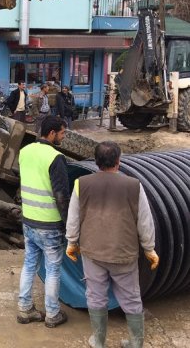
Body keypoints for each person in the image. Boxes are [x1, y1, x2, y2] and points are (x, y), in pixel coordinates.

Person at [65, 141, 158, 348]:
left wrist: (71, 242)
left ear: (96, 162)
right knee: (131, 298)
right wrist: (149, 248)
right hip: (123, 252)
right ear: (119, 160)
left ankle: (98, 341)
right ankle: (135, 343)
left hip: (93, 252)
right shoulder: (134, 185)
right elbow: (144, 221)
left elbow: (73, 217)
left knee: (96, 296)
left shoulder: (82, 183)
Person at [17, 116, 70, 328]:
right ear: (51, 133)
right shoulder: (55, 157)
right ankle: (52, 314)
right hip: (50, 224)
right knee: (53, 270)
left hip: (28, 221)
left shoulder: (25, 151)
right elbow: (61, 196)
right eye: (62, 133)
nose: (63, 138)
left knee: (29, 265)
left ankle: (24, 309)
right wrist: (68, 225)